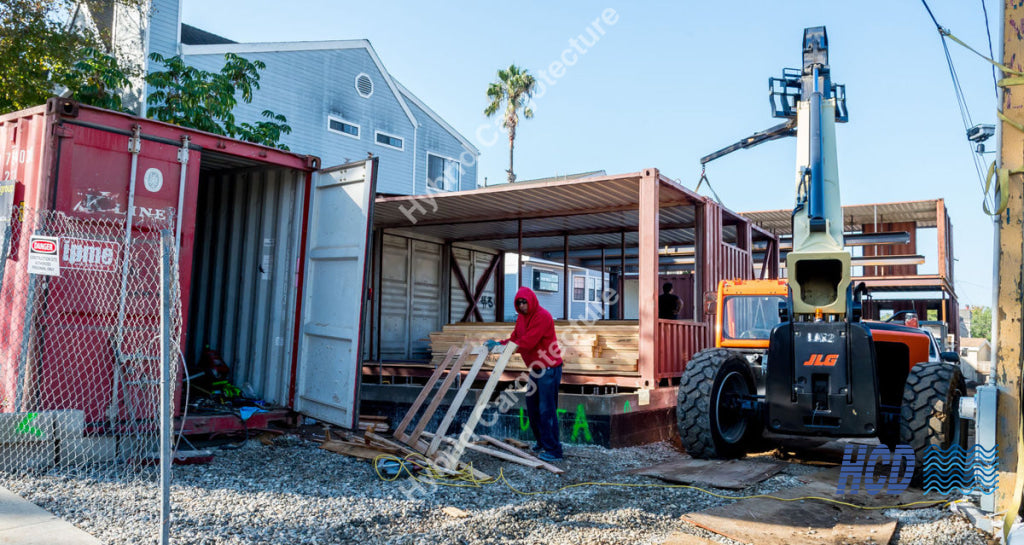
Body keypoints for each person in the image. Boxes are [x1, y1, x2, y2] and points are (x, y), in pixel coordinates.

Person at [486, 287, 563, 462]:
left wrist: (505, 348)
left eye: (524, 302)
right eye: (518, 303)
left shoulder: (542, 316)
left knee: (546, 410)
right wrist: (498, 345)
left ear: (532, 301)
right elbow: (515, 338)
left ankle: (554, 450)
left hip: (549, 368)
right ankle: (542, 442)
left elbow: (527, 342)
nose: (521, 306)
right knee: (533, 407)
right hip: (536, 368)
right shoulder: (521, 318)